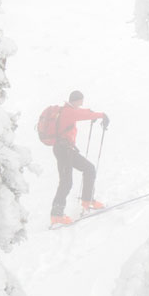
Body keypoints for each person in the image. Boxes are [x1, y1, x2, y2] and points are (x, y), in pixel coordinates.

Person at [45, 90, 107, 225]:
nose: (82, 103)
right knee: (66, 182)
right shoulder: (69, 112)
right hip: (63, 150)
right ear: (77, 100)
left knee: (89, 169)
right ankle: (56, 215)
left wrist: (91, 113)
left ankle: (87, 200)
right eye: (81, 101)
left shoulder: (67, 110)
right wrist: (101, 115)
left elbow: (82, 113)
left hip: (66, 150)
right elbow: (81, 115)